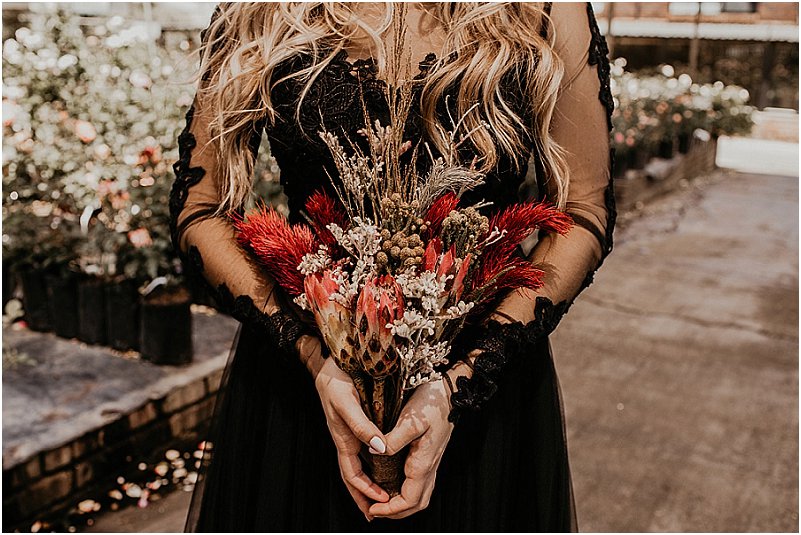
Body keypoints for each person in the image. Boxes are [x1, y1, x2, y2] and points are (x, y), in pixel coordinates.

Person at [170, 1, 616, 531]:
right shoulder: (263, 8)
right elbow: (201, 208)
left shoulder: (543, 8)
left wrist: (462, 381)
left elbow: (583, 209)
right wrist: (316, 355)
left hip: (484, 400)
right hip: (303, 395)